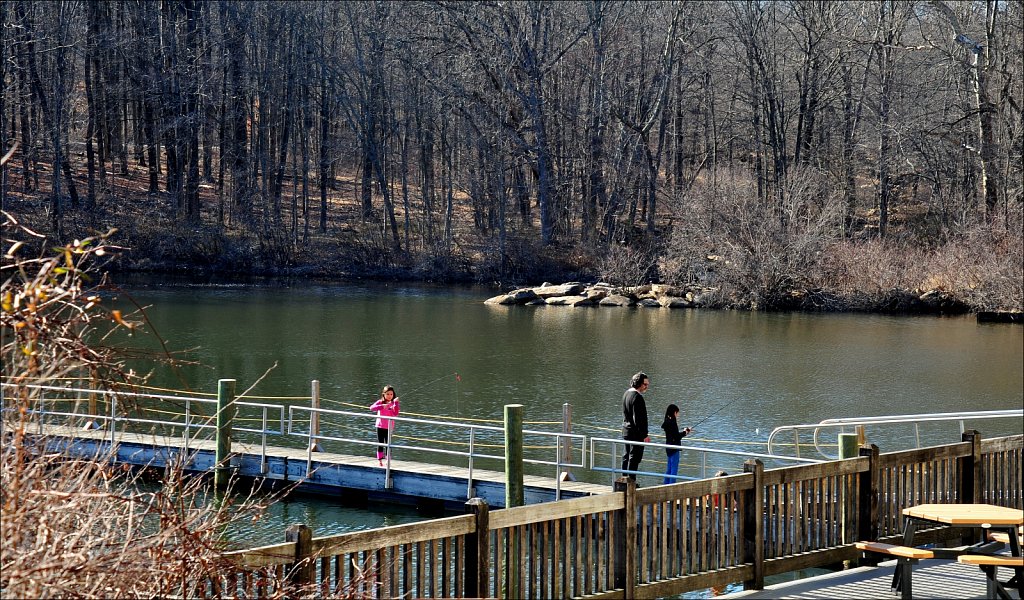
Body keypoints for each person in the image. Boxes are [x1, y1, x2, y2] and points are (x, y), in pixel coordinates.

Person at [621, 372, 651, 482]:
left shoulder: (626, 394)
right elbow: (638, 419)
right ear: (638, 383)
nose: (647, 387)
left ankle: (624, 480)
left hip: (626, 431)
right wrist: (644, 435)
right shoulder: (637, 397)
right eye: (645, 384)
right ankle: (631, 482)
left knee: (626, 456)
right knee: (634, 458)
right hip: (635, 434)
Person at [661, 403, 692, 484]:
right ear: (674, 412)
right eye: (677, 413)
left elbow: (673, 435)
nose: (677, 415)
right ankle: (671, 486)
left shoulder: (667, 421)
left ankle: (665, 485)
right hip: (674, 448)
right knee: (674, 469)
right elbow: (676, 436)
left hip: (668, 448)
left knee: (669, 469)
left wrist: (684, 432)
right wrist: (685, 432)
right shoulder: (672, 423)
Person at [370, 385, 400, 466]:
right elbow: (371, 408)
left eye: (391, 394)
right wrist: (382, 406)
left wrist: (396, 404)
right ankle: (380, 460)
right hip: (380, 426)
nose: (389, 396)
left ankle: (388, 460)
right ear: (384, 394)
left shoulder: (394, 403)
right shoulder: (380, 402)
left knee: (388, 444)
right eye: (387, 394)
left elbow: (395, 413)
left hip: (389, 427)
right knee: (380, 443)